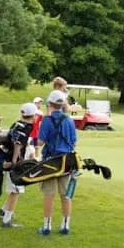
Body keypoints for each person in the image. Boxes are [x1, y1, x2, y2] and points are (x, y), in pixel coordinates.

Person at [37, 90, 77, 236]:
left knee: (49, 194)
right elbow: (73, 141)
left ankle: (47, 226)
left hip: (50, 162)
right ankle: (65, 225)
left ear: (50, 103)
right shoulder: (69, 120)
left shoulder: (46, 120)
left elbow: (40, 141)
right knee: (65, 195)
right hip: (66, 161)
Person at [0, 103, 37, 229]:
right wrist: (15, 162)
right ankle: (7, 220)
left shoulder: (17, 123)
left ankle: (3, 211)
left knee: (14, 189)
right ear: (33, 115)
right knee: (16, 190)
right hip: (13, 161)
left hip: (6, 158)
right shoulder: (26, 127)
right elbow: (18, 144)